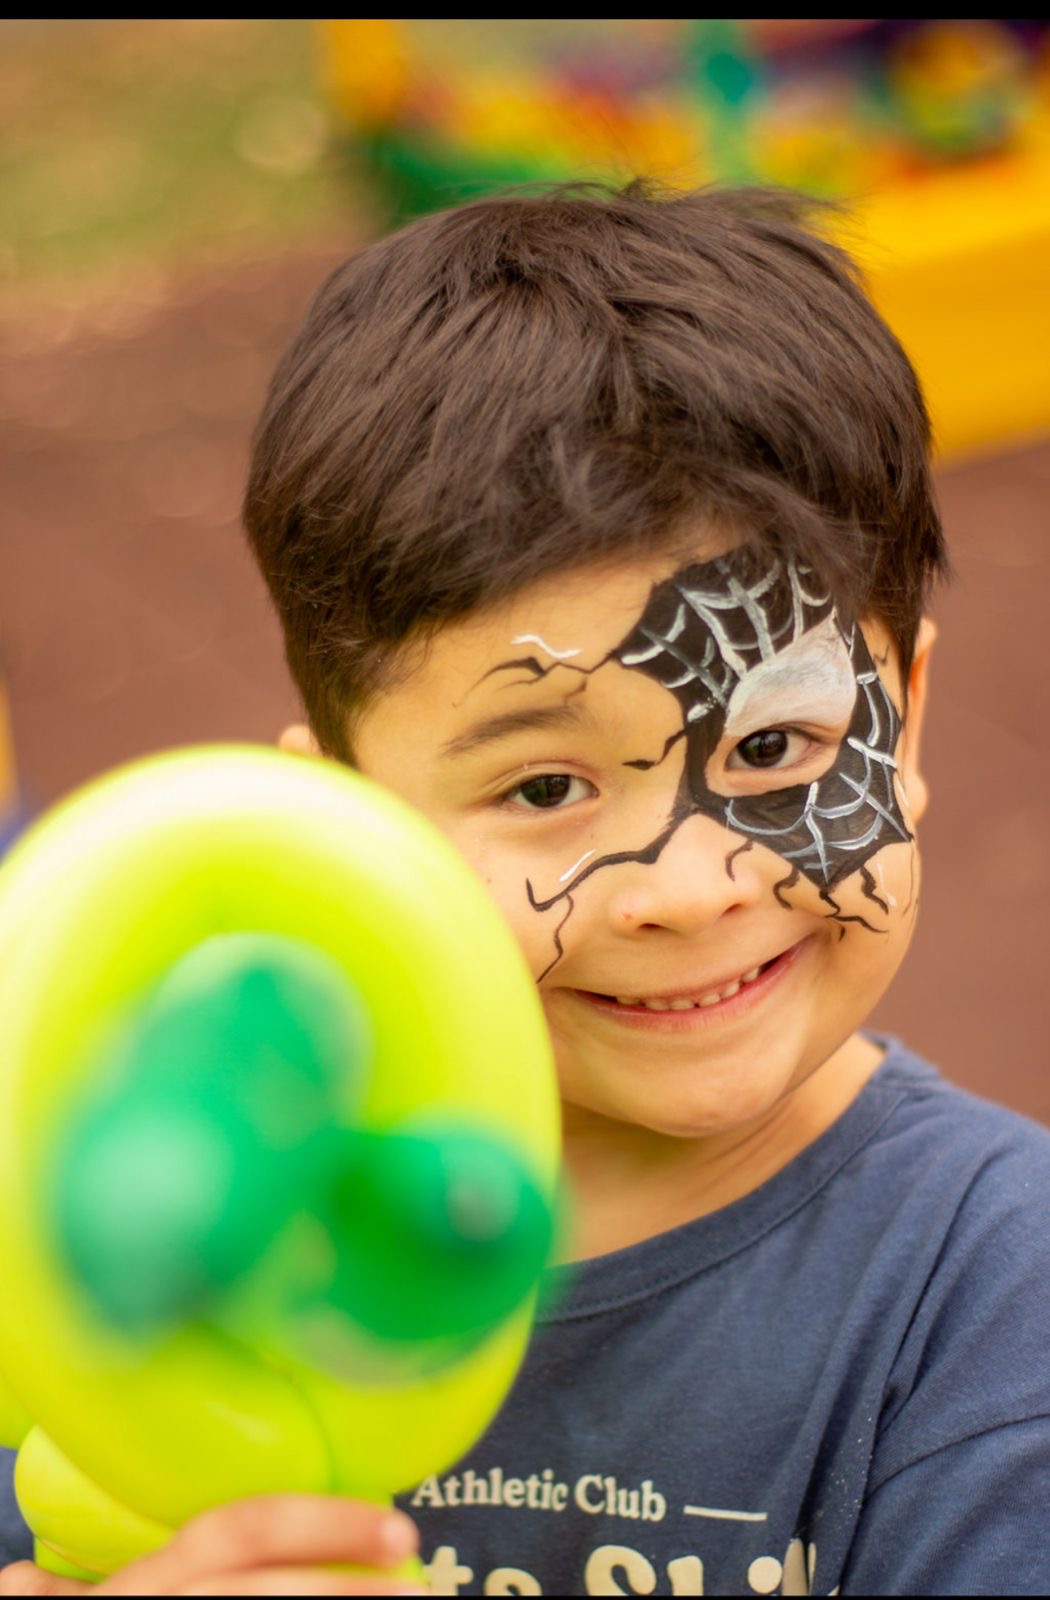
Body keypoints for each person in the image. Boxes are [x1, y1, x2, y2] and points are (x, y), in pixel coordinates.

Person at [4, 182, 1050, 1597]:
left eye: (774, 748)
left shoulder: (996, 1308)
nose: (687, 889)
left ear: (904, 727)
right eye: (545, 787)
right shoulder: (203, 1214)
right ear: (344, 827)